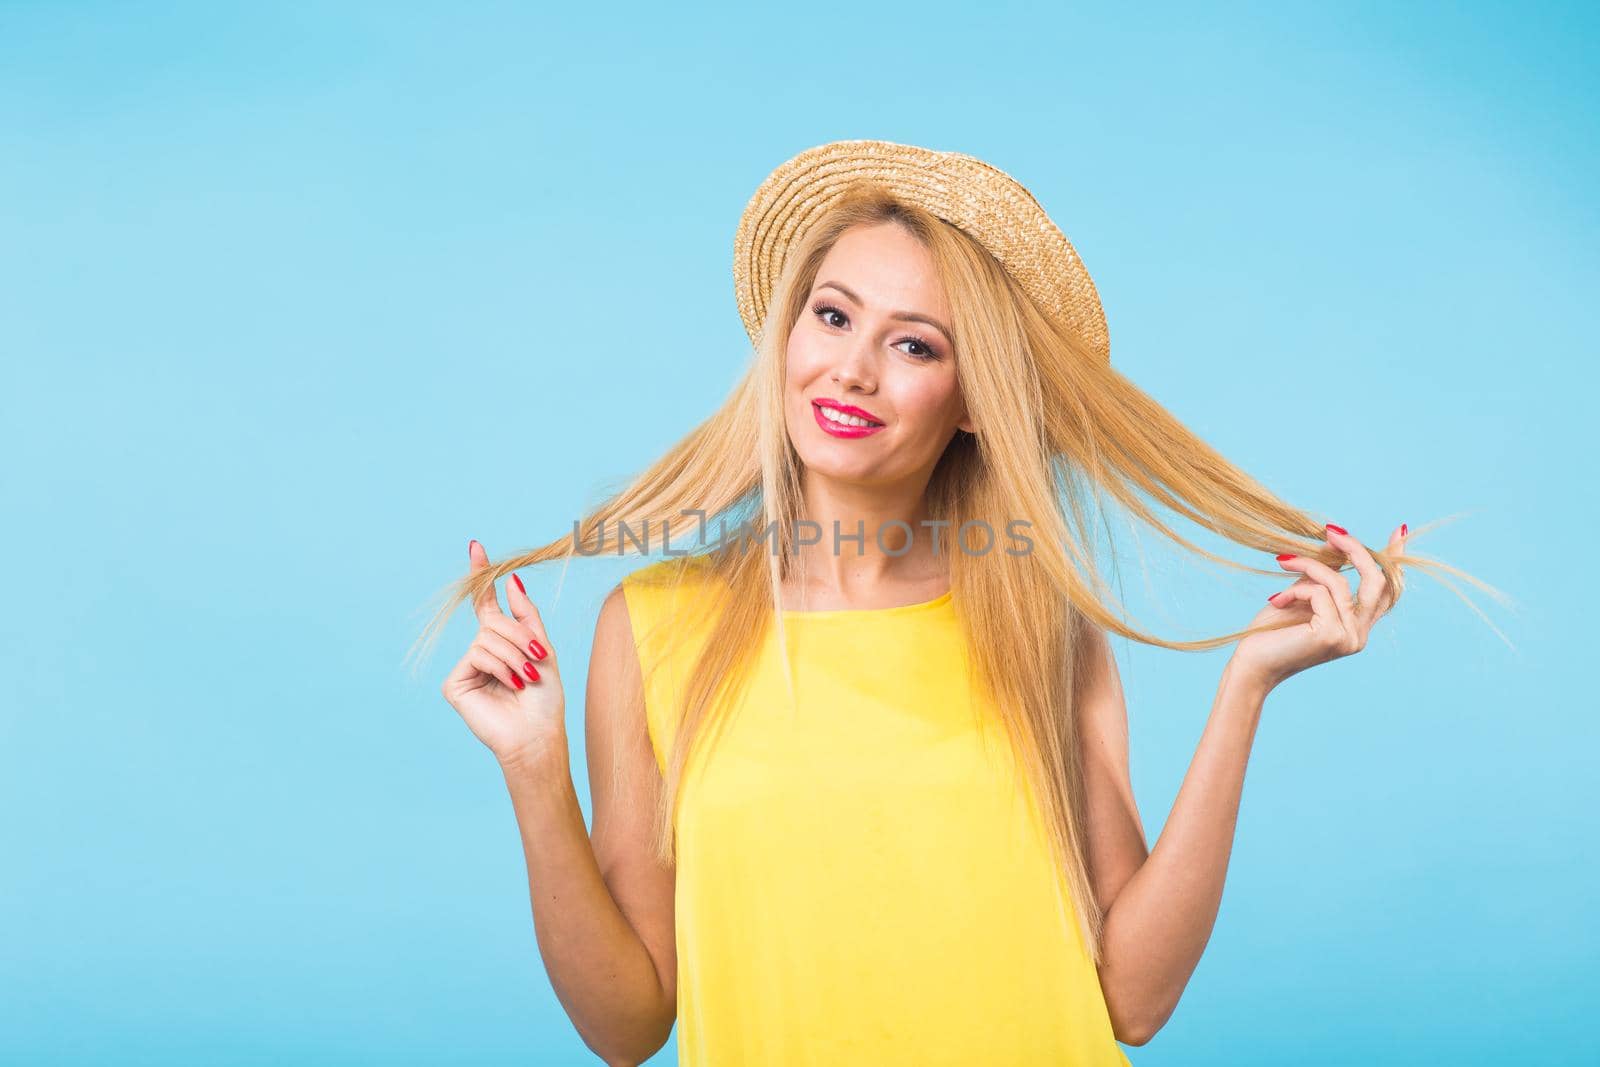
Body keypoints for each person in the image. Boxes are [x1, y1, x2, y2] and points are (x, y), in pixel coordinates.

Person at [414, 140, 1473, 1065]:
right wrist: (533, 770)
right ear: (788, 333)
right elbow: (626, 1027)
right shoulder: (651, 625)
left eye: (916, 342)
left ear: (972, 402)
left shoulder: (1038, 618)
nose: (854, 368)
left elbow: (1135, 1001)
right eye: (833, 314)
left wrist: (1244, 686)